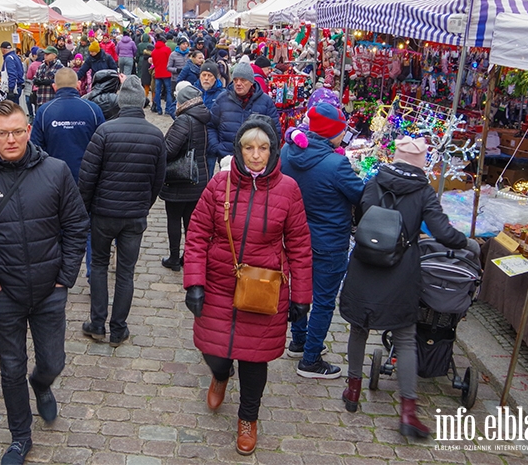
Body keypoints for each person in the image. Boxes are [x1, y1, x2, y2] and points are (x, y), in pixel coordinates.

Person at [0, 100, 88, 465]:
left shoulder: (56, 171)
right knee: (11, 367)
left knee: (52, 361)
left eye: (17, 131)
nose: (10, 139)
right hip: (4, 294)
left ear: (28, 131)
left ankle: (42, 384)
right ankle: (20, 436)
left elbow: (76, 226)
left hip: (49, 292)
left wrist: (64, 279)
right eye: (2, 133)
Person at [182, 115, 312, 456]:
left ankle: (248, 418)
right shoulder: (219, 185)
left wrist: (301, 296)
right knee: (215, 352)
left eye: (263, 147)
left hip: (263, 289)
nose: (256, 155)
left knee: (254, 362)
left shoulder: (288, 190)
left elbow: (299, 245)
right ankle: (220, 375)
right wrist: (194, 282)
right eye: (249, 147)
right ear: (239, 150)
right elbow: (196, 235)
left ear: (273, 150)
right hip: (219, 283)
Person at [339, 136, 480, 438]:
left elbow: (361, 217)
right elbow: (442, 231)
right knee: (405, 337)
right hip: (400, 271)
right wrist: (466, 243)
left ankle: (352, 391)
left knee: (359, 329)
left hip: (365, 265)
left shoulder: (374, 182)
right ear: (421, 163)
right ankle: (408, 412)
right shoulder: (424, 192)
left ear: (397, 158)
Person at [78, 76, 166, 347]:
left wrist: (86, 208)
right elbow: (157, 180)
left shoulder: (105, 131)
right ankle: (118, 328)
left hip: (104, 212)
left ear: (120, 101)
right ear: (141, 102)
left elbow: (88, 176)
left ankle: (97, 323)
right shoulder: (155, 135)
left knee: (100, 265)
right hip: (134, 215)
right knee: (126, 272)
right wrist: (143, 206)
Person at [281, 103, 365, 379]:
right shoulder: (336, 163)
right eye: (342, 131)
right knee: (324, 300)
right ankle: (311, 359)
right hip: (328, 241)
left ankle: (299, 340)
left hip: (295, 237)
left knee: (300, 291)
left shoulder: (288, 151)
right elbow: (358, 195)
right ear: (332, 133)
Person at [159, 82, 210, 271]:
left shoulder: (184, 120)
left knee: (174, 218)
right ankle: (189, 257)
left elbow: (169, 150)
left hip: (179, 179)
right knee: (190, 221)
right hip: (198, 178)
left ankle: (174, 258)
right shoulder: (202, 118)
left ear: (183, 102)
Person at [31, 68, 105, 182]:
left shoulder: (44, 112)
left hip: (53, 178)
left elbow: (36, 148)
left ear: (54, 87)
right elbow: (103, 146)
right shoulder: (93, 109)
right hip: (87, 178)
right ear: (79, 85)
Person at [207, 62, 281, 161]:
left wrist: (266, 154)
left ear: (251, 82)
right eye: (235, 80)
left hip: (255, 160)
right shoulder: (222, 99)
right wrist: (217, 148)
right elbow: (211, 125)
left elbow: (275, 132)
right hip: (227, 157)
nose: (238, 83)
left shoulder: (265, 101)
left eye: (243, 80)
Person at [150, 35, 174, 116]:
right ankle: (167, 110)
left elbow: (154, 63)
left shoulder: (154, 51)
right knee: (168, 91)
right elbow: (170, 61)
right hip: (167, 73)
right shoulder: (167, 49)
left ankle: (159, 109)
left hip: (158, 73)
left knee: (157, 91)